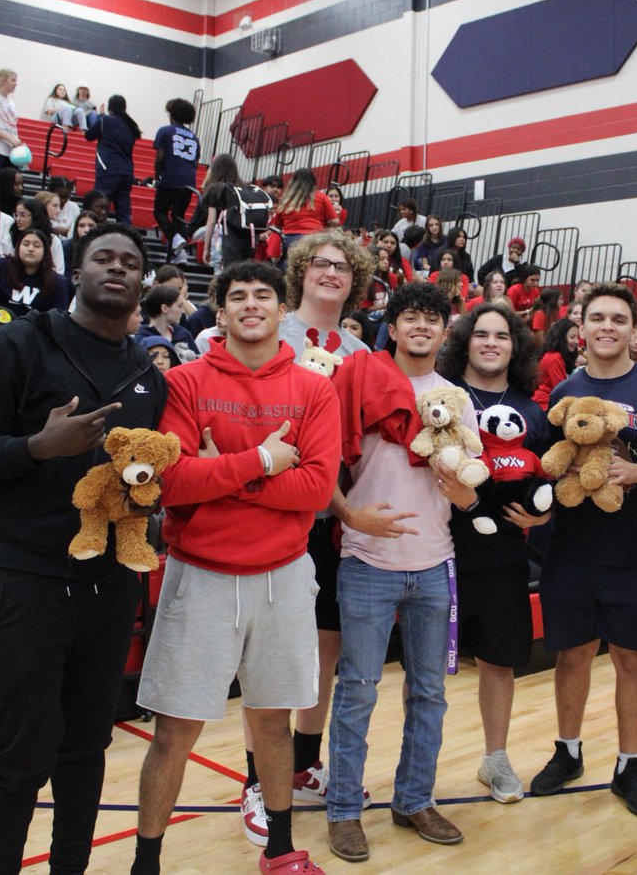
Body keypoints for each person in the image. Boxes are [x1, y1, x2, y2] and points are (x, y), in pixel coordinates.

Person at [0, 220, 165, 875]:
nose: (117, 267)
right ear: (78, 268)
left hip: (110, 585)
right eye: (103, 256)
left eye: (130, 259)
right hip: (29, 582)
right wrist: (38, 447)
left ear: (142, 281)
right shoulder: (20, 344)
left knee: (86, 749)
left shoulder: (148, 377)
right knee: (20, 754)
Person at [129, 260, 338, 875]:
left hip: (284, 575)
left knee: (273, 723)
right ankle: (147, 863)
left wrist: (230, 472)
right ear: (219, 313)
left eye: (264, 295)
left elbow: (319, 489)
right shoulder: (187, 383)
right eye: (238, 296)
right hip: (201, 575)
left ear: (282, 310)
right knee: (175, 732)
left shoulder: (313, 389)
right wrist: (268, 462)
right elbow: (170, 482)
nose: (251, 304)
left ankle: (278, 851)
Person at [234, 231, 374, 844]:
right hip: (280, 507)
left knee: (326, 645)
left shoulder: (362, 348)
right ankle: (256, 782)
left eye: (343, 267)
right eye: (320, 263)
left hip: (335, 517)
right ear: (299, 272)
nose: (331, 273)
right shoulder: (272, 329)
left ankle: (302, 763)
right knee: (268, 653)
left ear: (356, 281)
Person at [325, 281, 471, 862]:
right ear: (394, 326)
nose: (420, 327)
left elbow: (469, 495)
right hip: (366, 562)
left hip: (435, 565)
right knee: (357, 692)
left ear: (444, 331)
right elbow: (322, 465)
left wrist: (462, 490)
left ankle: (414, 799)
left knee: (430, 695)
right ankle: (342, 811)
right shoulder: (357, 380)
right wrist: (348, 514)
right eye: (409, 317)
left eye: (431, 319)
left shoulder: (456, 399)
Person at [528, 283, 637, 820]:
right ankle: (568, 752)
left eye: (618, 319)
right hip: (572, 545)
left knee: (633, 658)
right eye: (597, 318)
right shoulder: (565, 390)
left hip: (634, 547)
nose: (607, 327)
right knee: (573, 654)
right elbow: (548, 465)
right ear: (579, 328)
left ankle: (629, 765)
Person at [436, 303, 548, 803]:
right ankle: (419, 770)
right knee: (424, 668)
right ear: (464, 340)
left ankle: (495, 758)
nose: (490, 342)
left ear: (514, 345)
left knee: (499, 663)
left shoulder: (531, 408)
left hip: (501, 555)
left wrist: (545, 514)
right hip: (436, 551)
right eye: (480, 333)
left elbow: (549, 476)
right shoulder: (440, 397)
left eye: (501, 335)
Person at [152, 98, 200, 262]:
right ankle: (181, 254)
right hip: (189, 182)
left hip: (171, 178)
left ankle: (176, 240)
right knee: (178, 216)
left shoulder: (165, 131)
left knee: (160, 212)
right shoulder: (194, 137)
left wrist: (156, 176)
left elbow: (159, 158)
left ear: (171, 113)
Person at [0, 228, 69, 316]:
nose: (30, 249)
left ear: (45, 251)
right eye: (26, 244)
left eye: (37, 246)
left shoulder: (58, 282)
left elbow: (56, 318)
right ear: (18, 247)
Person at [86, 95, 141, 224]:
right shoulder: (131, 126)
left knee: (99, 205)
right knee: (123, 211)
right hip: (127, 171)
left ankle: (94, 235)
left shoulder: (106, 120)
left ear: (110, 107)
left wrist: (100, 116)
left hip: (108, 168)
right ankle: (126, 238)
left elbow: (89, 136)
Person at [270, 168, 339, 255]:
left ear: (293, 182)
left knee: (288, 265)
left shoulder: (285, 200)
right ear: (313, 182)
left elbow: (276, 225)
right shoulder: (322, 197)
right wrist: (325, 224)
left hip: (290, 239)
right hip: (315, 238)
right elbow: (335, 221)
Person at [532, 317, 580, 411]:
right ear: (562, 337)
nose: (577, 341)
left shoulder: (556, 355)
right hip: (544, 405)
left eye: (577, 337)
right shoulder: (555, 358)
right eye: (572, 337)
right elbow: (562, 390)